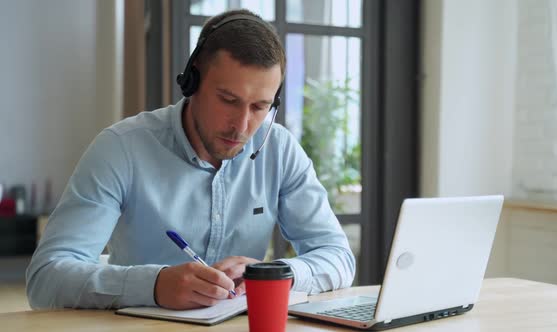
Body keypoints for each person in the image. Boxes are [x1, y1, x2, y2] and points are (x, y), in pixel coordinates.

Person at [26, 9, 355, 310]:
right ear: (192, 80)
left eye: (260, 107)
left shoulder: (280, 150)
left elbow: (338, 258)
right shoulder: (119, 149)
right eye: (228, 100)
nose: (242, 127)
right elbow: (46, 279)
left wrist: (275, 273)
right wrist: (153, 286)